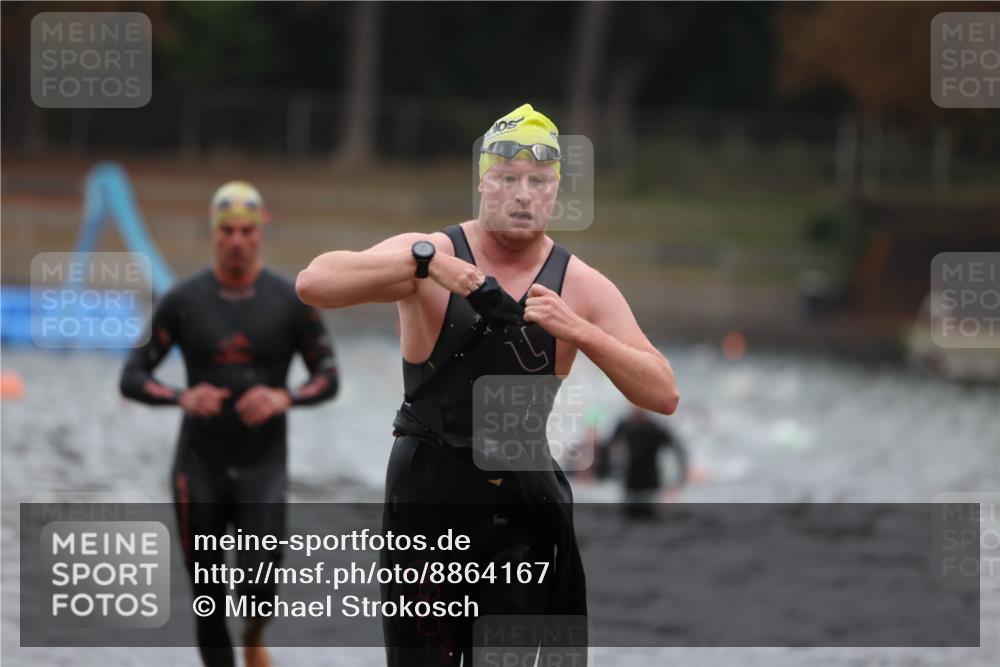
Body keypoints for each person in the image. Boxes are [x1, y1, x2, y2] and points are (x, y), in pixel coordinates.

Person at [296, 103, 679, 666]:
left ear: (556, 192)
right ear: (482, 183)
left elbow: (663, 392)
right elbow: (314, 283)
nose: (522, 195)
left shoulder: (580, 285)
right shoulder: (435, 253)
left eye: (538, 182)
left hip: (519, 513)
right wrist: (426, 264)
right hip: (425, 507)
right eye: (507, 179)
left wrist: (580, 330)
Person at [120, 181, 339, 667]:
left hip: (263, 465)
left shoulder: (290, 300)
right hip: (198, 466)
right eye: (227, 231)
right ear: (213, 234)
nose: (237, 241)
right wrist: (182, 395)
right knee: (208, 597)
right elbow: (132, 376)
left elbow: (329, 378)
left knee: (260, 585)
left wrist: (284, 397)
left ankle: (255, 637)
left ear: (261, 233)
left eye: (246, 231)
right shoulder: (182, 300)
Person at [601, 405, 688, 516]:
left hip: (651, 488)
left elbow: (679, 452)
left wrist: (676, 484)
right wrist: (601, 473)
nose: (638, 410)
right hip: (630, 486)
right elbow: (607, 448)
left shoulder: (656, 429)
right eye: (635, 406)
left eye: (641, 407)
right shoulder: (624, 426)